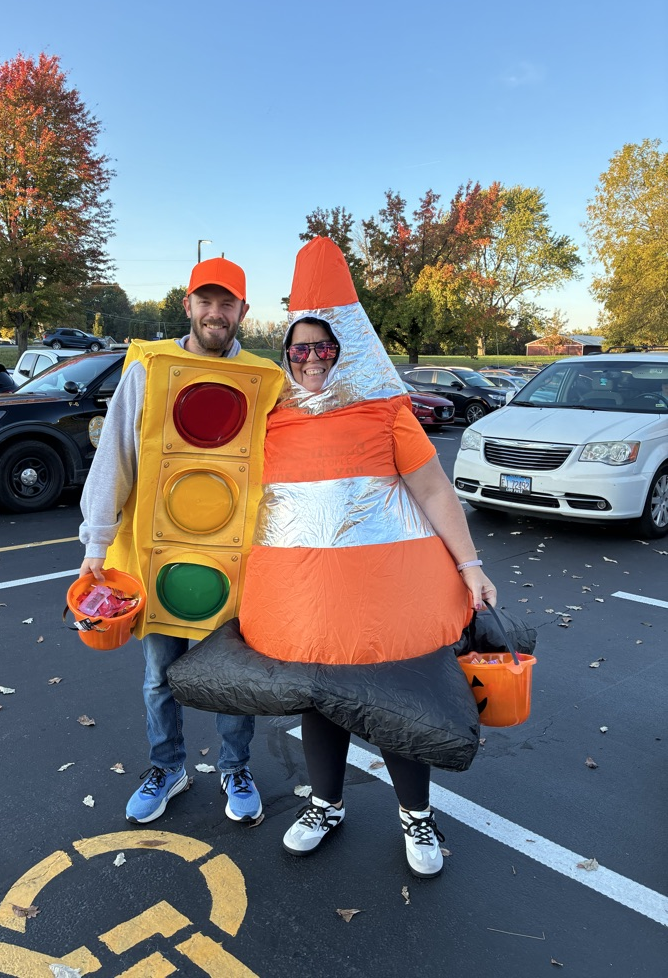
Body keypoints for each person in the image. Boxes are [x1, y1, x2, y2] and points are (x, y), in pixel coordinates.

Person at [168, 237, 497, 879]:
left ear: (342, 350)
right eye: (300, 348)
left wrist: (470, 565)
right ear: (286, 351)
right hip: (308, 612)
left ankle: (416, 817)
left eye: (323, 348)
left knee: (400, 706)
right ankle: (325, 804)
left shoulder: (386, 415)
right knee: (320, 701)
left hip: (389, 607)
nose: (312, 359)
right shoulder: (270, 417)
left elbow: (432, 489)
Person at [79, 256, 282, 826]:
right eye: (206, 301)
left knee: (234, 678)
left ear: (243, 311)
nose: (216, 313)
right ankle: (167, 767)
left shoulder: (265, 382)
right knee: (157, 678)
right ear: (188, 305)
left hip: (236, 561)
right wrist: (96, 544)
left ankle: (233, 766)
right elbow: (114, 454)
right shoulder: (149, 368)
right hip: (159, 554)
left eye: (228, 304)